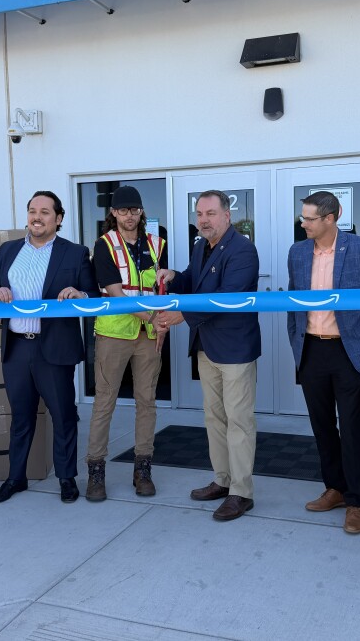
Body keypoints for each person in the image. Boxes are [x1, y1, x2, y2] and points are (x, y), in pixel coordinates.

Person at [0, 191, 99, 505]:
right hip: (17, 348)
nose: (37, 216)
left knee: (63, 415)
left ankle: (66, 477)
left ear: (58, 218)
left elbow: (91, 293)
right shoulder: (8, 250)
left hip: (55, 348)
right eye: (33, 210)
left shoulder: (74, 253)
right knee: (20, 417)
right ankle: (16, 478)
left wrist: (79, 293)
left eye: (45, 211)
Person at [286, 191, 360, 534]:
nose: (304, 224)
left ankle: (355, 501)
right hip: (312, 350)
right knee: (321, 424)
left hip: (350, 351)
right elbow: (292, 300)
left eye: (310, 219)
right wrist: (294, 340)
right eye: (303, 218)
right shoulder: (298, 252)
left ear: (331, 217)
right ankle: (333, 488)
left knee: (352, 426)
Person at [155, 190, 260, 522]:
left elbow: (226, 296)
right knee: (215, 419)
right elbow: (194, 283)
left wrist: (182, 316)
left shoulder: (243, 249)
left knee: (239, 422)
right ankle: (222, 481)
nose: (203, 219)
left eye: (211, 213)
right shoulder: (201, 246)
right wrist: (175, 277)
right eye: (199, 213)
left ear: (227, 216)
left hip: (234, 351)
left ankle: (241, 493)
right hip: (206, 347)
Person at [85, 186, 167, 501]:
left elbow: (160, 290)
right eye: (123, 210)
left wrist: (161, 320)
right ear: (113, 214)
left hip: (148, 336)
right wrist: (150, 318)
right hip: (114, 334)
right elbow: (115, 292)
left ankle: (143, 469)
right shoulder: (104, 244)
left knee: (147, 402)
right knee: (105, 402)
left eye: (134, 209)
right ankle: (96, 472)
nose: (129, 215)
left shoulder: (156, 244)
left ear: (141, 212)